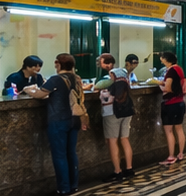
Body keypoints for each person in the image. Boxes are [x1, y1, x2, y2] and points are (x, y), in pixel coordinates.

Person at [25, 52, 87, 196]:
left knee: (59, 155)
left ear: (57, 64)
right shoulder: (77, 78)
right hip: (75, 119)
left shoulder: (56, 79)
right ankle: (74, 185)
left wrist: (29, 91)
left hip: (59, 119)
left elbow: (40, 94)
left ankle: (63, 188)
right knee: (71, 153)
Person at [93, 52, 135, 181]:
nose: (98, 65)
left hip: (112, 111)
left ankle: (117, 171)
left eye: (100, 62)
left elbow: (97, 87)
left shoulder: (110, 75)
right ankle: (129, 168)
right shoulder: (123, 73)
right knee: (124, 139)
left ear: (107, 63)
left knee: (112, 141)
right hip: (127, 109)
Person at [158, 50, 186, 164]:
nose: (162, 61)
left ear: (166, 59)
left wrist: (158, 85)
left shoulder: (170, 71)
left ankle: (171, 156)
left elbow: (168, 88)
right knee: (179, 129)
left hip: (171, 104)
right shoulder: (179, 69)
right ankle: (180, 153)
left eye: (162, 59)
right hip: (180, 103)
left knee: (169, 131)